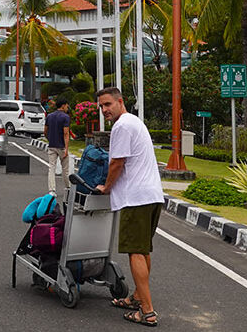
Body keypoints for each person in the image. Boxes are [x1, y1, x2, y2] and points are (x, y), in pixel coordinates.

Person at [94, 87, 164, 327]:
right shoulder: (134, 121)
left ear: (120, 102)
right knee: (143, 251)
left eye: (107, 105)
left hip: (136, 198)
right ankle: (136, 297)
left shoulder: (122, 126)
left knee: (135, 251)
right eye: (101, 106)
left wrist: (106, 187)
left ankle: (147, 311)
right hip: (152, 195)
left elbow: (117, 162)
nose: (104, 110)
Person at [43, 99, 76, 196]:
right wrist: (66, 148)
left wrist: (49, 139)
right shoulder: (65, 117)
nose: (67, 107)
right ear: (63, 105)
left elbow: (45, 131)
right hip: (61, 146)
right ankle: (68, 188)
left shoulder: (49, 116)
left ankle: (52, 190)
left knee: (51, 168)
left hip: (52, 145)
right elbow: (66, 134)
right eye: (66, 106)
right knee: (65, 169)